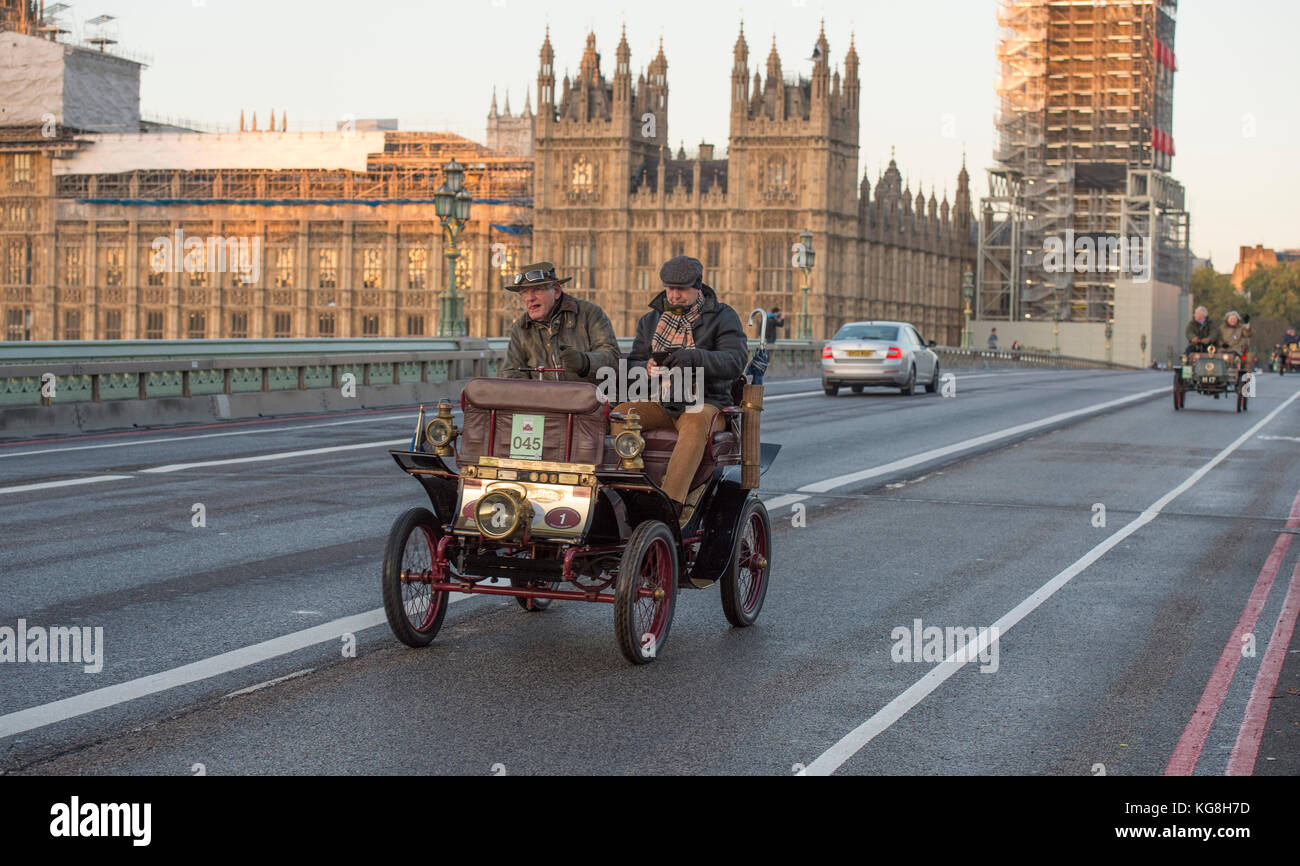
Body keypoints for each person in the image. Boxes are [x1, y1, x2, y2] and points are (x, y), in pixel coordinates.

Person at [612, 255, 747, 525]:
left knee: (696, 422)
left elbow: (736, 361)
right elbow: (634, 361)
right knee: (621, 414)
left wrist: (695, 358)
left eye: (681, 289)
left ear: (698, 287)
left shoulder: (722, 316)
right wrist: (646, 366)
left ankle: (670, 504)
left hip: (706, 401)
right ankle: (636, 486)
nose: (674, 295)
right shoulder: (651, 320)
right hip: (661, 399)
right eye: (669, 288)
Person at [502, 261, 619, 383]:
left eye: (537, 290)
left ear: (556, 291)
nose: (529, 298)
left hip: (590, 399)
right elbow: (511, 373)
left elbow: (612, 358)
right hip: (543, 400)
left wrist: (585, 362)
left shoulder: (588, 313)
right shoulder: (521, 327)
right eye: (524, 292)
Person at [744, 306, 784, 385]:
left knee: (763, 356)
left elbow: (760, 328)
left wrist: (761, 336)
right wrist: (782, 318)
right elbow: (781, 324)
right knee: (764, 358)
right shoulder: (772, 320)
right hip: (770, 339)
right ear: (775, 313)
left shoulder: (766, 318)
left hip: (764, 338)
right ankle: (765, 362)